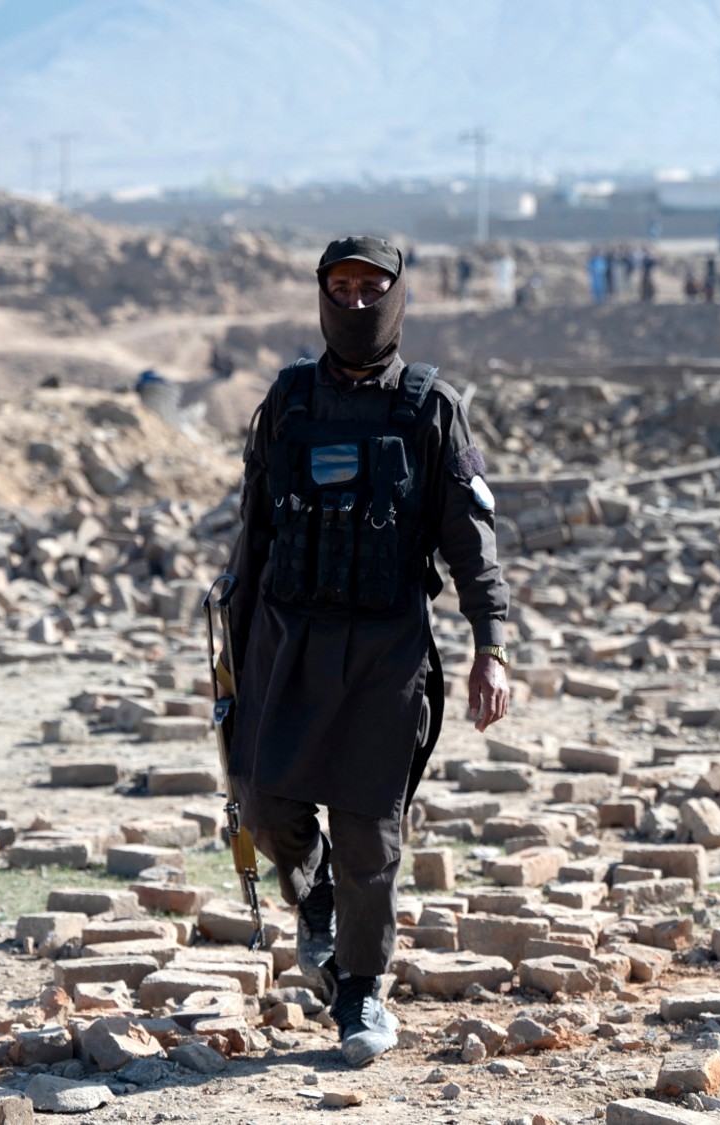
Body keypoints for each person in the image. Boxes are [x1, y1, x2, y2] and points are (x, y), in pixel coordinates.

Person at [222, 236, 510, 1068]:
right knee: (265, 800)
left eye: (370, 288)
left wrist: (490, 644)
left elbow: (471, 542)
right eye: (339, 287)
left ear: (396, 296)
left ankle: (361, 990)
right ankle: (311, 897)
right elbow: (255, 534)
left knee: (369, 831)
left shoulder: (430, 407)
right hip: (289, 642)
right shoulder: (289, 402)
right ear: (320, 294)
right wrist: (233, 646)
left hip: (387, 652)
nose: (354, 303)